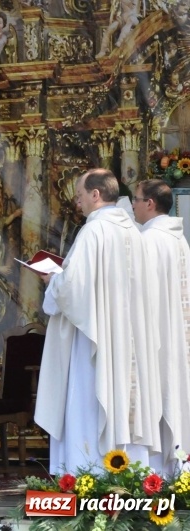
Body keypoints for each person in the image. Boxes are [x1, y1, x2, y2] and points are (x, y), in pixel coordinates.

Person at [34, 169, 161, 474]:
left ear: (95, 194)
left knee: (89, 403)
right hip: (128, 339)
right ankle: (129, 480)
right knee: (124, 405)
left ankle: (88, 477)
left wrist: (53, 280)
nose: (77, 203)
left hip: (94, 339)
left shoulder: (93, 231)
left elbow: (72, 289)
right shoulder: (134, 232)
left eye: (79, 196)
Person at [132, 179, 190, 473]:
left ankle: (154, 474)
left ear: (149, 203)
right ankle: (175, 472)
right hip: (176, 334)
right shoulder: (179, 238)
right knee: (174, 394)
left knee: (153, 399)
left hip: (154, 334)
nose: (132, 206)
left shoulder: (148, 240)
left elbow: (137, 291)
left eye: (136, 200)